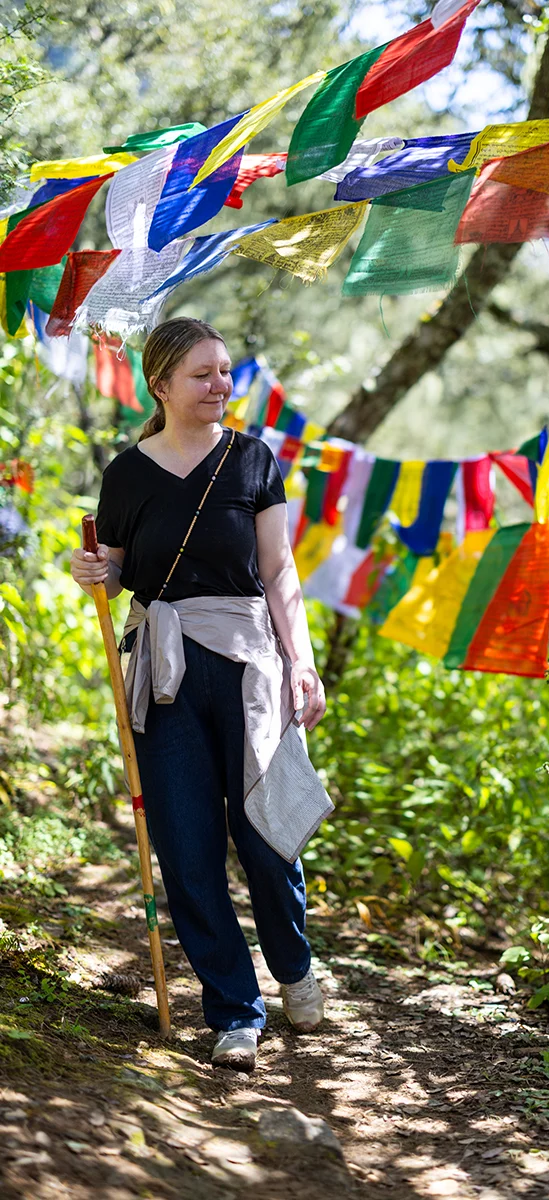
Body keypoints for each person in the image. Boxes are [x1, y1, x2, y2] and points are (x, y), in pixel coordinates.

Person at [70, 317, 327, 1074]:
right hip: (165, 669)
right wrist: (94, 575)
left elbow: (278, 572)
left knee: (267, 832)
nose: (221, 387)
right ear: (161, 385)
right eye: (203, 375)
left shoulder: (253, 461)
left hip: (251, 663)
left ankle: (294, 965)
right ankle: (235, 1012)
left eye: (224, 373)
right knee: (187, 848)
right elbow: (115, 571)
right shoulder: (125, 475)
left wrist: (301, 663)